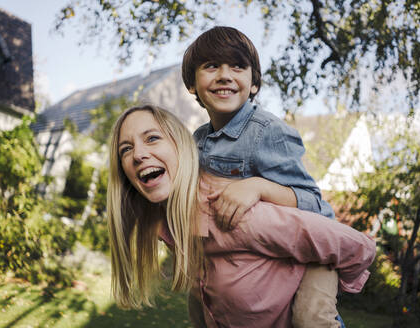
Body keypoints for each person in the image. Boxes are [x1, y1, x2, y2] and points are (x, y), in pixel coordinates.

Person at [107, 105, 376, 328]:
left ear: (181, 147)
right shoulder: (166, 223)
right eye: (125, 149)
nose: (139, 154)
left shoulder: (235, 213)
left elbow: (355, 245)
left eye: (152, 138)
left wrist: (328, 289)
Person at [182, 26, 342, 327]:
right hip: (258, 254)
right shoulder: (197, 142)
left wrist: (257, 186)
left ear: (253, 84)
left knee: (311, 320)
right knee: (200, 307)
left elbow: (317, 207)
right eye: (212, 66)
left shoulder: (267, 131)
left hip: (312, 256)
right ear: (192, 84)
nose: (225, 75)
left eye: (237, 66)